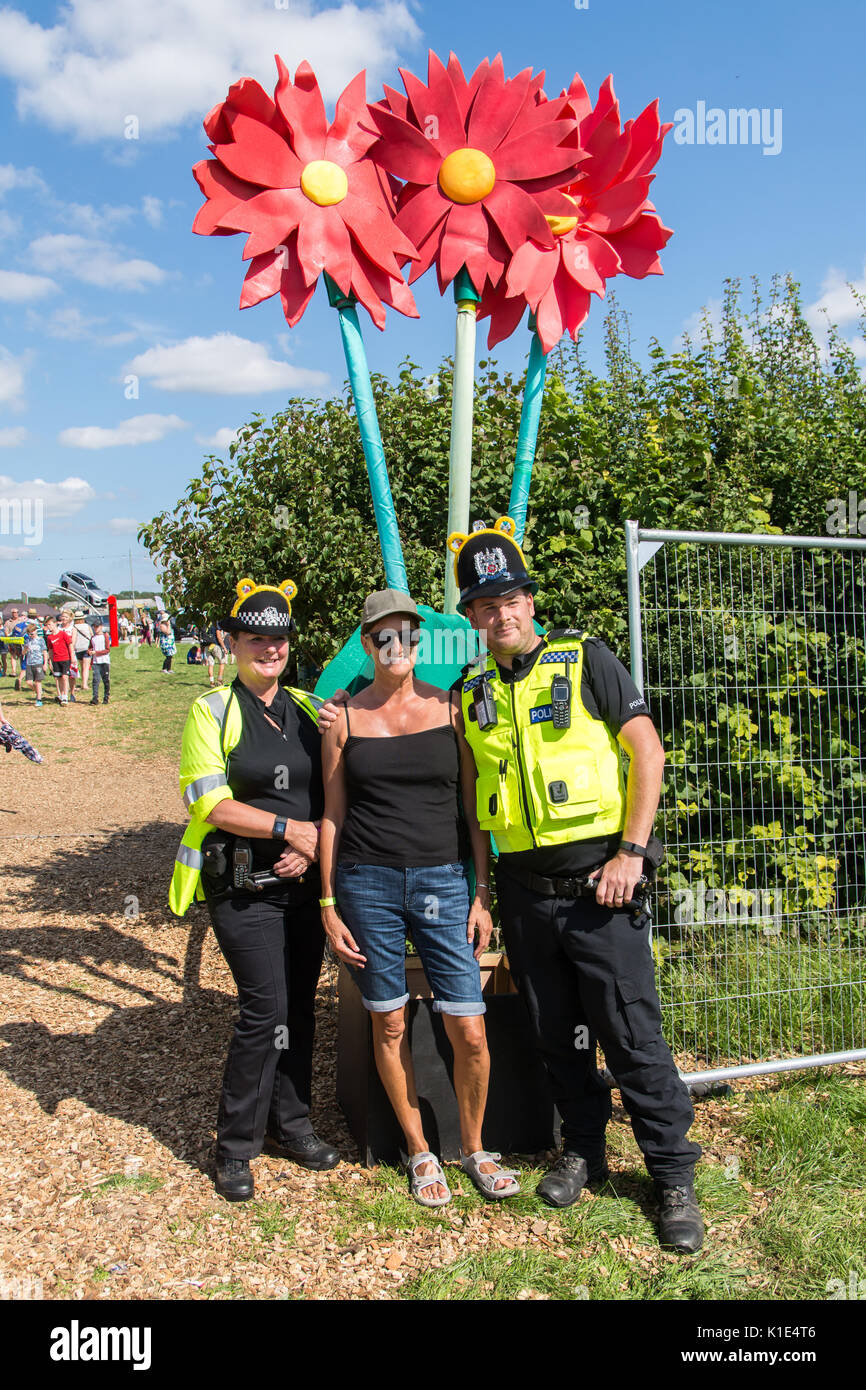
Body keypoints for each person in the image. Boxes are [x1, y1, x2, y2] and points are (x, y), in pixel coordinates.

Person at [448, 515, 703, 1253]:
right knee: (559, 1036)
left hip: (603, 890)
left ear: (530, 601)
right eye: (485, 605)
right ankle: (584, 1151)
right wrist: (483, 890)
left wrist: (633, 852)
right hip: (526, 896)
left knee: (629, 1033)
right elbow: (474, 806)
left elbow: (647, 753)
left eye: (510, 599)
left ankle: (672, 1176)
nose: (501, 614)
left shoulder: (586, 658)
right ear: (471, 617)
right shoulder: (470, 695)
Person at [319, 589, 519, 1207]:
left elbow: (473, 808)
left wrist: (481, 892)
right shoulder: (343, 718)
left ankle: (475, 1147)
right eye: (383, 635)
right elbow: (331, 815)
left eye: (406, 633)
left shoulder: (453, 709)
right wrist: (327, 904)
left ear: (418, 641)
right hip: (367, 884)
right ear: (368, 642)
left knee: (471, 1027)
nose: (396, 645)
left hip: (442, 882)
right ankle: (418, 1150)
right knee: (389, 1019)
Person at [169, 577, 339, 1202]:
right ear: (233, 642)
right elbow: (207, 801)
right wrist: (287, 830)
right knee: (263, 1009)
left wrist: (314, 838)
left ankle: (291, 1125)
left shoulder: (304, 706)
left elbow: (332, 789)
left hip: (300, 885)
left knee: (297, 1006)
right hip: (242, 886)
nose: (269, 648)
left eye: (279, 638)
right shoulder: (210, 710)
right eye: (256, 638)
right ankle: (235, 1146)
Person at [44, 614, 73, 706]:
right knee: (59, 678)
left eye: (50, 624)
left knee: (65, 677)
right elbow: (50, 650)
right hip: (56, 660)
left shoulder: (63, 634)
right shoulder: (49, 637)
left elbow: (70, 645)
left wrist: (72, 657)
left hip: (65, 658)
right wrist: (50, 662)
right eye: (47, 625)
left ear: (55, 623)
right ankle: (60, 695)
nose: (49, 627)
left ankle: (65, 696)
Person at [22, 620, 47, 706]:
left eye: (32, 634)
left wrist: (45, 663)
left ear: (36, 631)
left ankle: (39, 699)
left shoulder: (40, 640)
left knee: (38, 681)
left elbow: (44, 652)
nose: (30, 636)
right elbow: (23, 653)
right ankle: (39, 691)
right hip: (29, 663)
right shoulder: (27, 641)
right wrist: (25, 649)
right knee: (29, 682)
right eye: (29, 634)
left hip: (38, 662)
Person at [89, 618, 111, 705]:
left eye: (97, 627)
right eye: (94, 627)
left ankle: (106, 697)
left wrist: (96, 652)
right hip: (95, 662)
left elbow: (107, 650)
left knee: (105, 680)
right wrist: (90, 651)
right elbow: (90, 647)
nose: (95, 628)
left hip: (104, 661)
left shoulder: (105, 636)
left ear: (101, 627)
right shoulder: (93, 638)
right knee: (95, 680)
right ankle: (95, 698)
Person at [72, 610, 93, 690]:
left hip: (78, 649)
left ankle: (82, 683)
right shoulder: (87, 626)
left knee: (82, 667)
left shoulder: (74, 627)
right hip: (86, 648)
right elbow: (92, 636)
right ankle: (84, 684)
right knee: (86, 667)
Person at [204, 619, 228, 687]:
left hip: (207, 646)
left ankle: (211, 682)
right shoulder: (216, 623)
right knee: (222, 662)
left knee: (211, 664)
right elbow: (218, 636)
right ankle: (219, 680)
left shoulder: (206, 624)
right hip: (215, 645)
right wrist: (224, 647)